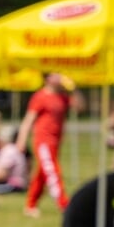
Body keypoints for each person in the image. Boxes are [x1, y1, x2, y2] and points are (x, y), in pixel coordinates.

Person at [18, 73, 73, 217]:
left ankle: (30, 205)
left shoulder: (62, 96)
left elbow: (79, 107)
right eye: (56, 74)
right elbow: (29, 119)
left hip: (56, 141)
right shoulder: (40, 96)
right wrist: (22, 139)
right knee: (52, 171)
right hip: (43, 141)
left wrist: (73, 88)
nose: (60, 76)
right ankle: (64, 204)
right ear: (48, 79)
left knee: (42, 174)